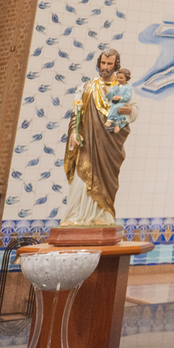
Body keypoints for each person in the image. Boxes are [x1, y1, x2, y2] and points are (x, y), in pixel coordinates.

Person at [60, 49, 138, 227]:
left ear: (116, 65)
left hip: (108, 145)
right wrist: (74, 131)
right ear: (98, 63)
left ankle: (103, 214)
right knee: (80, 180)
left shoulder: (123, 88)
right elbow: (76, 113)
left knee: (105, 179)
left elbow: (134, 111)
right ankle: (74, 216)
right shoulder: (87, 87)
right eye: (103, 63)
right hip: (86, 141)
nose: (105, 67)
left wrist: (126, 111)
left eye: (109, 64)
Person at [105, 69, 134, 133]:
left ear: (126, 78)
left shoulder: (128, 87)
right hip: (115, 102)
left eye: (121, 78)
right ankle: (113, 123)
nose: (119, 79)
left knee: (116, 108)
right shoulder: (115, 87)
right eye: (118, 77)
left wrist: (120, 97)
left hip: (123, 103)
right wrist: (107, 92)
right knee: (112, 107)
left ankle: (114, 123)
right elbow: (111, 95)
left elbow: (128, 96)